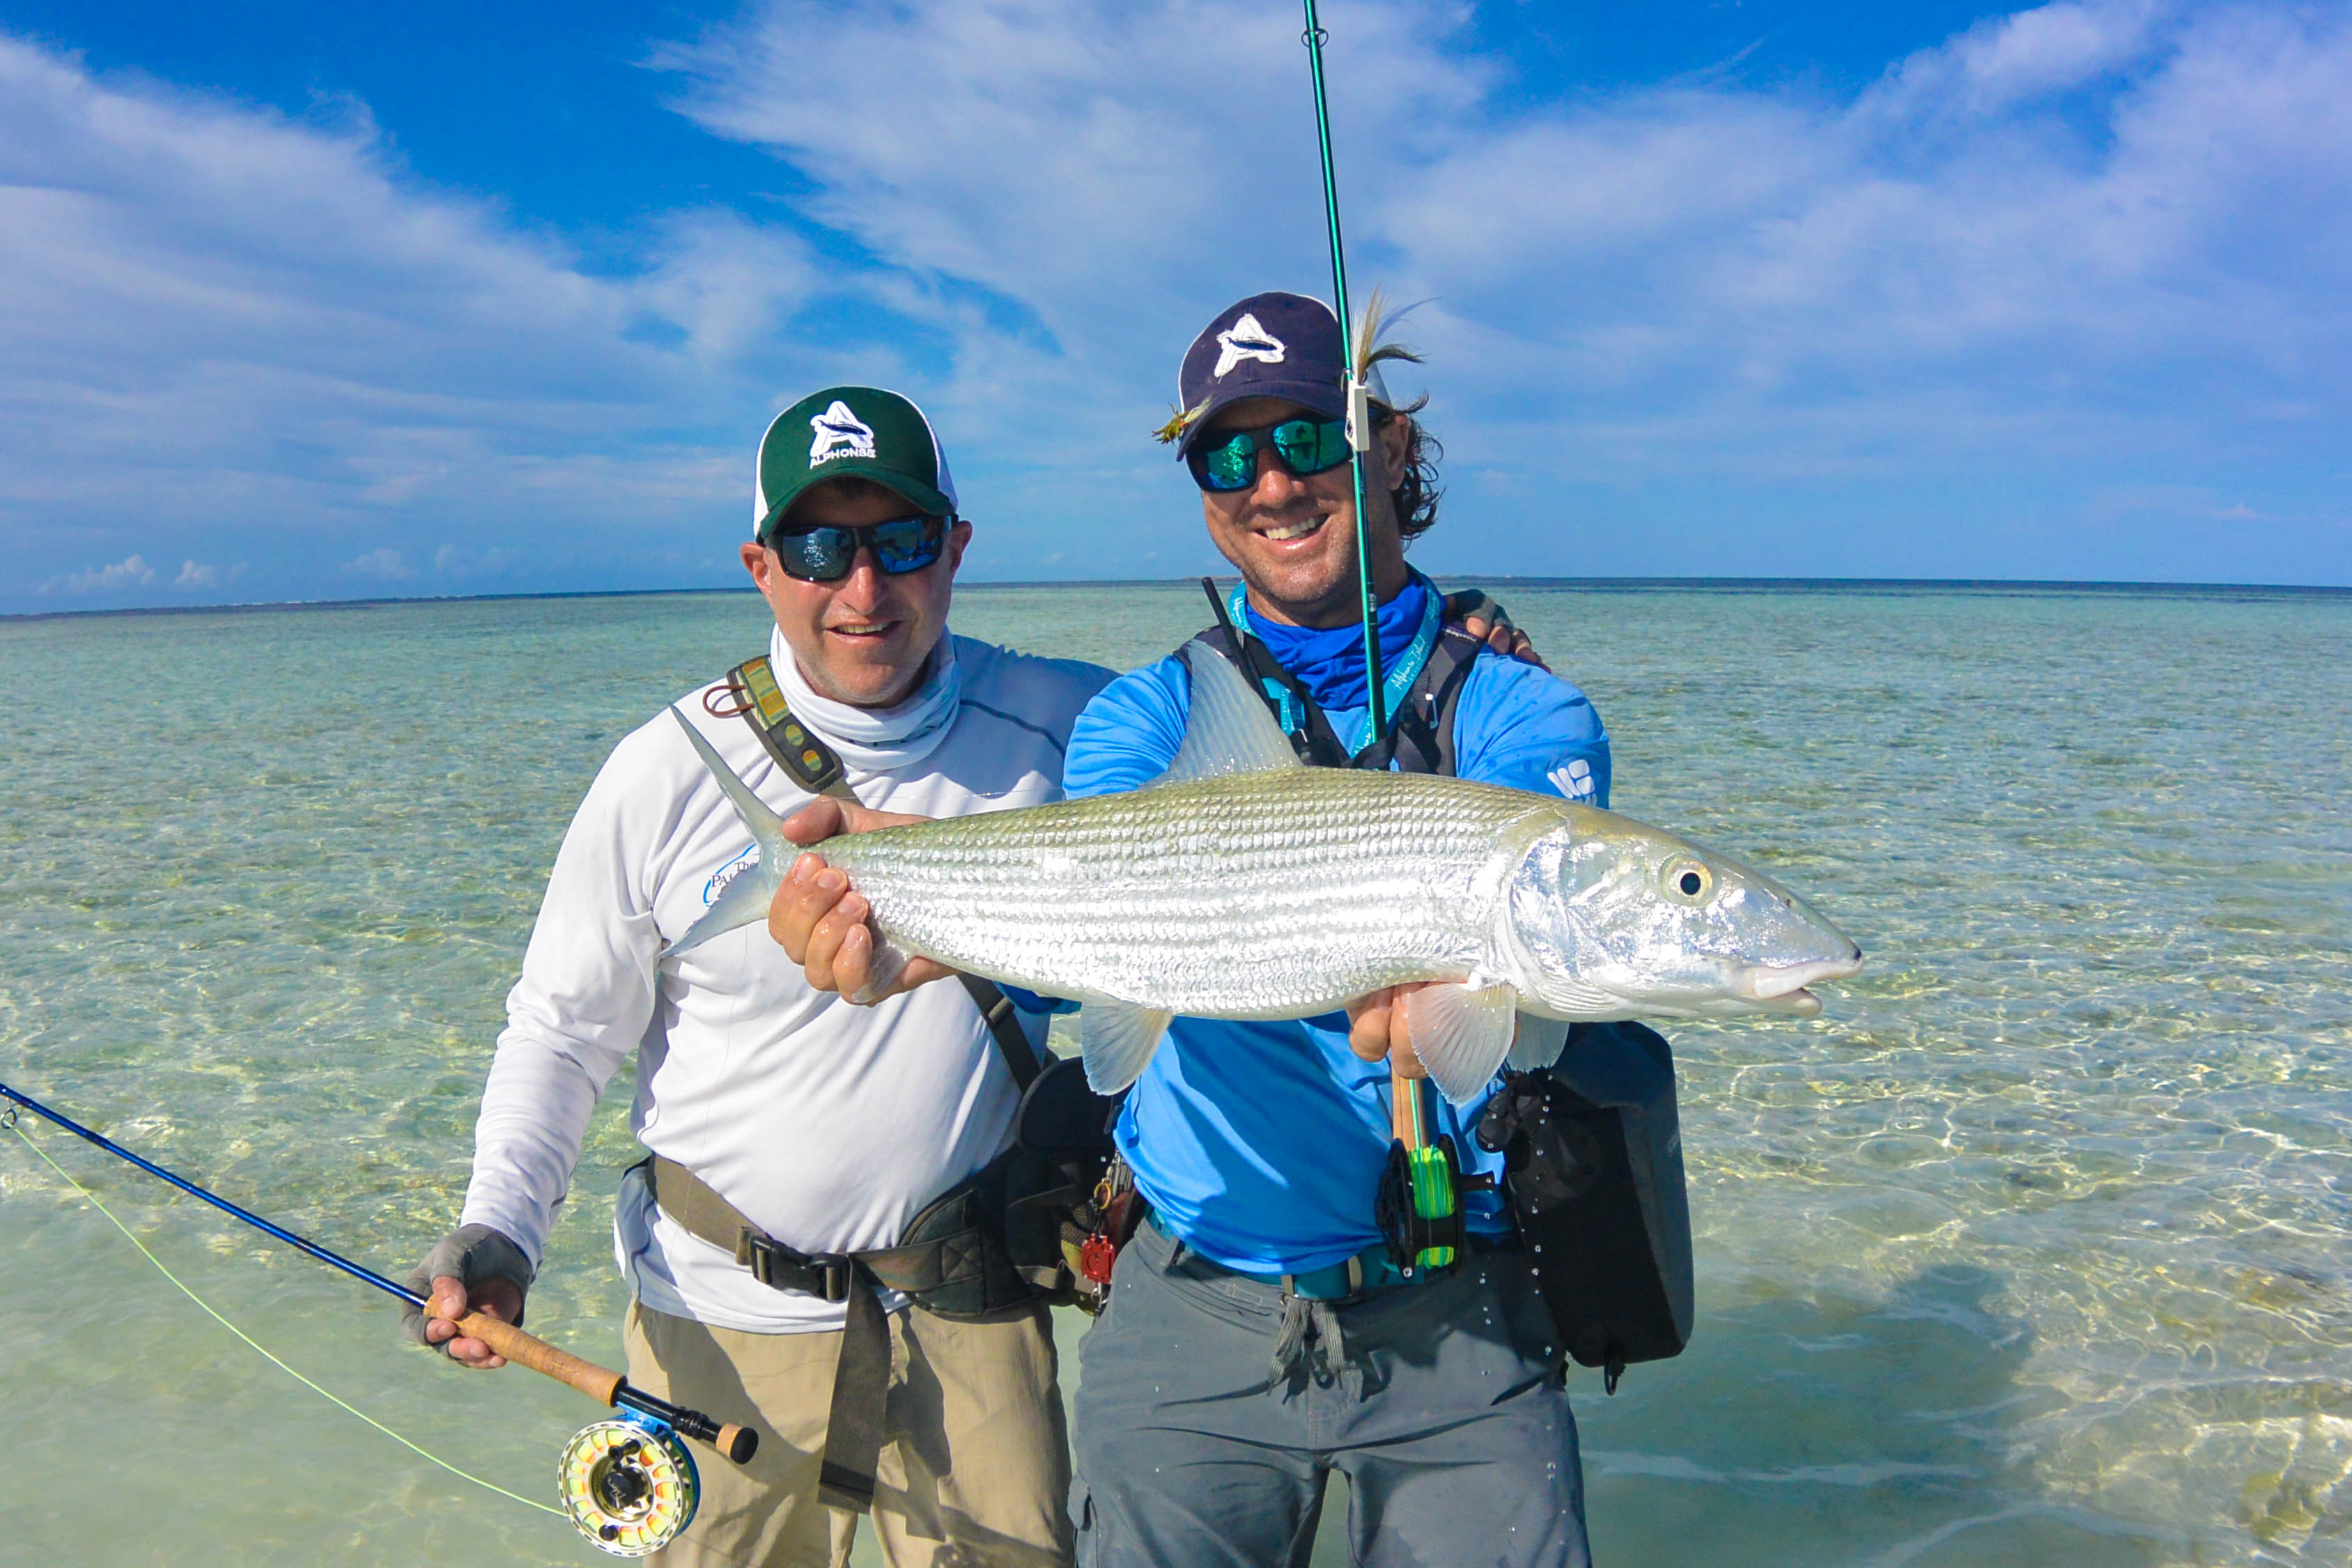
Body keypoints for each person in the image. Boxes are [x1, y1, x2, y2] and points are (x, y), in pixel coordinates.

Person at [778, 293, 1611, 1568]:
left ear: (1389, 450)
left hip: (1464, 1304)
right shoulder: (1143, 721)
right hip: (1193, 1303)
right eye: (1227, 454)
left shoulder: (1527, 717)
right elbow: (1118, 942)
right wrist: (908, 910)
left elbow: (1548, 998)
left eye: (1307, 441)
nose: (1270, 481)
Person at [399, 385, 1111, 1568]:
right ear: (760, 563)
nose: (864, 588)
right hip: (719, 1327)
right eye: (820, 546)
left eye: (902, 541)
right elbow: (563, 1033)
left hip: (975, 1310)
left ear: (958, 550)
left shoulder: (1075, 726)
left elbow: (1272, 774)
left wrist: (1455, 643)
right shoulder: (661, 770)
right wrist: (502, 1234)